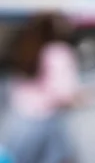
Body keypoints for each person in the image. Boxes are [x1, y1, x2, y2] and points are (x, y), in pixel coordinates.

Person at [1, 13, 80, 163]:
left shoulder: (25, 47)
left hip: (20, 122)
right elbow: (65, 94)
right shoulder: (58, 52)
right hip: (47, 122)